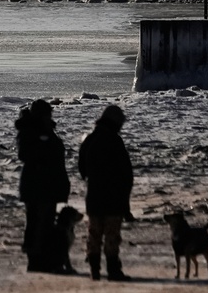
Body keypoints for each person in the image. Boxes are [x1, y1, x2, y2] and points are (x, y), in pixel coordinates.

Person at [78, 104, 134, 281]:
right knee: (111, 236)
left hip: (94, 196)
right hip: (114, 197)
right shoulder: (115, 141)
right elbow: (126, 173)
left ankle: (94, 270)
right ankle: (113, 270)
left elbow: (82, 168)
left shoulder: (90, 139)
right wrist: (125, 199)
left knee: (94, 234)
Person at [15, 99, 70, 273]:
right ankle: (37, 261)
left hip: (44, 184)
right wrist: (43, 151)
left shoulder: (43, 129)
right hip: (38, 184)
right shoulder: (32, 130)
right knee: (38, 223)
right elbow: (25, 154)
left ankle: (43, 260)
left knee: (43, 223)